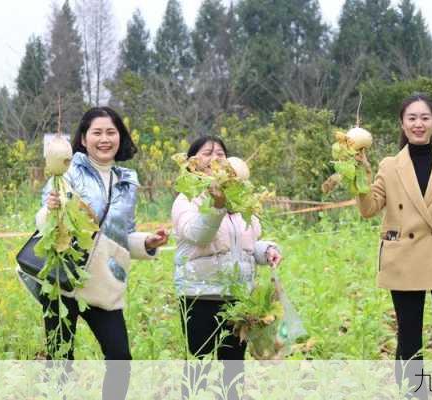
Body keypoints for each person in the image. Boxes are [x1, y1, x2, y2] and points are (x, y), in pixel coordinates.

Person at [18, 106, 169, 400]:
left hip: (103, 283)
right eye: (96, 132)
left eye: (111, 132)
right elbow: (43, 223)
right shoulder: (67, 170)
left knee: (120, 359)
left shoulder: (127, 181)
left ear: (120, 137)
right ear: (84, 139)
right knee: (60, 361)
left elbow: (122, 236)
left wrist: (148, 242)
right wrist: (50, 210)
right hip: (64, 280)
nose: (104, 139)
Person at [355, 93, 432, 400]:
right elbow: (368, 208)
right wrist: (357, 173)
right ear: (402, 123)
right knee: (409, 336)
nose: (418, 124)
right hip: (404, 258)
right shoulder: (388, 165)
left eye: (425, 118)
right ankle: (414, 395)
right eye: (412, 118)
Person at [171, 136, 282, 399]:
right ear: (192, 163)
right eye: (207, 153)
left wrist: (267, 250)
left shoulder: (241, 202)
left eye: (220, 153)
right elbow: (198, 235)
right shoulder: (186, 200)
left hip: (237, 297)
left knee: (232, 368)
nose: (215, 158)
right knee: (200, 365)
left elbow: (246, 245)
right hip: (200, 294)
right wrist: (217, 206)